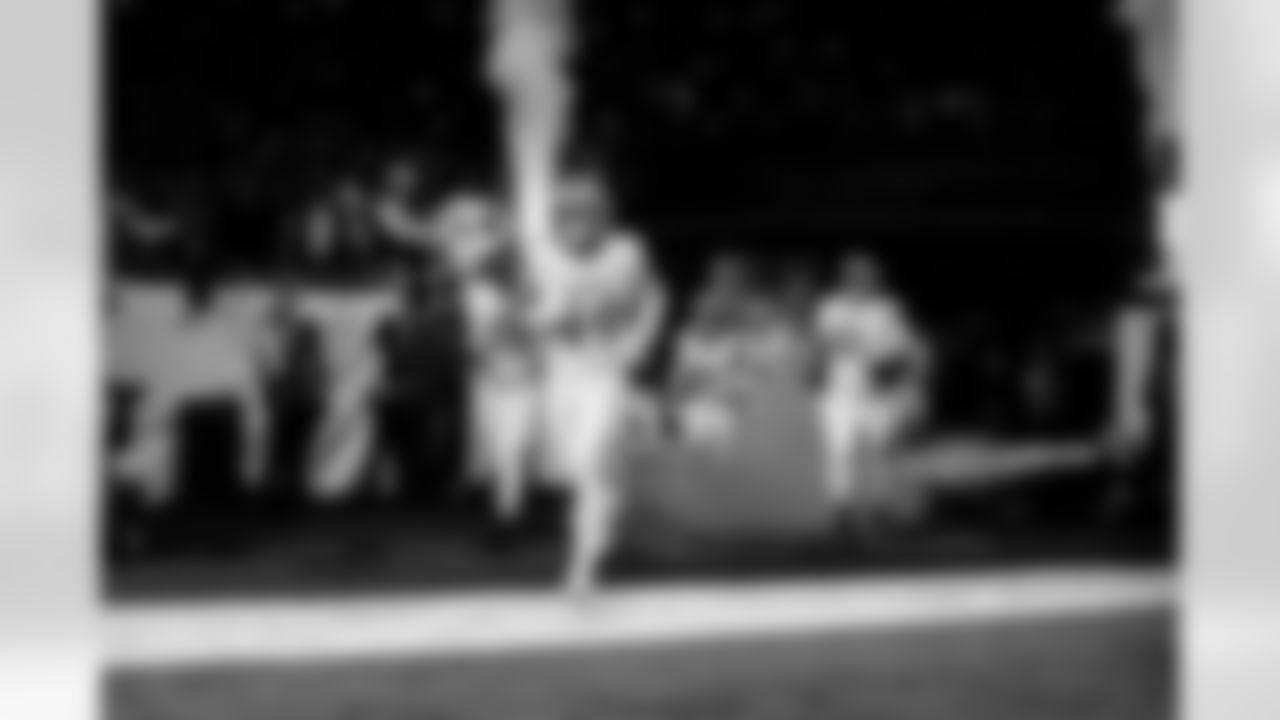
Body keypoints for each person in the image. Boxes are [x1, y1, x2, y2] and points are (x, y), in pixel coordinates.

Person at [532, 171, 667, 602]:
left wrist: (636, 346)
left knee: (591, 463)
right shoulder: (543, 255)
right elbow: (531, 312)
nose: (579, 217)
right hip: (560, 375)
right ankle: (605, 517)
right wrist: (551, 320)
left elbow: (654, 299)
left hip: (606, 373)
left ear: (605, 214)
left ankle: (582, 567)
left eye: (589, 208)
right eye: (569, 209)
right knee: (575, 471)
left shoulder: (628, 252)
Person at [111, 271, 269, 543]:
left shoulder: (227, 335)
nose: (196, 300)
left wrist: (250, 420)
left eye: (200, 295)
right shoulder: (178, 335)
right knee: (150, 453)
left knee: (161, 449)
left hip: (216, 431)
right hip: (181, 429)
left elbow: (243, 386)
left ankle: (203, 525)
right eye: (194, 295)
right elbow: (163, 386)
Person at [432, 190, 543, 532]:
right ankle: (506, 507)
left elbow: (525, 326)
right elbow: (455, 265)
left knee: (512, 444)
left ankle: (508, 514)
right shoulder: (477, 287)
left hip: (518, 371)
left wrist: (502, 329)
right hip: (490, 373)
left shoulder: (512, 284)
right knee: (497, 445)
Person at [812, 253, 929, 533]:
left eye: (867, 273)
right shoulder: (831, 307)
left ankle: (879, 511)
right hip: (839, 392)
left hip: (877, 393)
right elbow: (829, 341)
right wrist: (869, 344)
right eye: (855, 273)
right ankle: (841, 512)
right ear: (845, 276)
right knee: (838, 452)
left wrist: (889, 362)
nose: (862, 278)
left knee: (880, 452)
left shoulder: (888, 308)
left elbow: (902, 349)